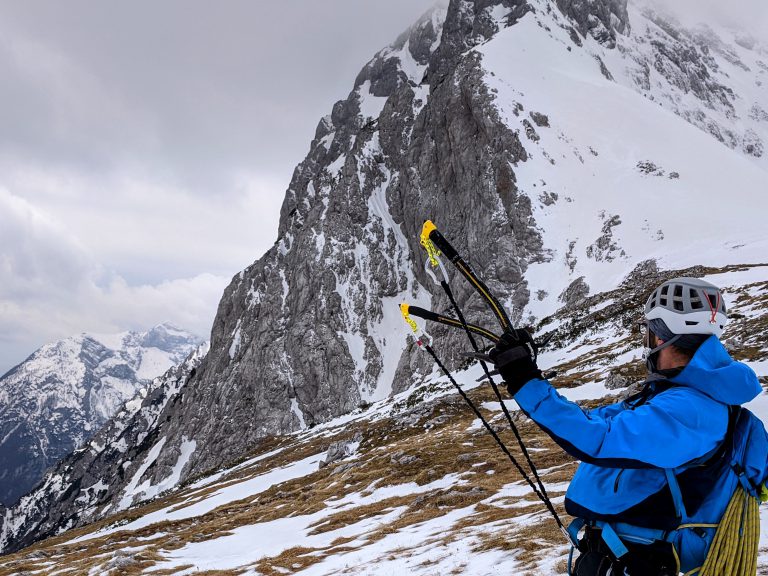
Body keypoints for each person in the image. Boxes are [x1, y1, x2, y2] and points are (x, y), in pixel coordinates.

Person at [485, 277, 766, 574]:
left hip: (635, 562)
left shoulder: (691, 408)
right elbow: (596, 420)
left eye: (649, 332)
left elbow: (599, 439)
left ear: (660, 337)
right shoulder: (676, 397)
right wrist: (529, 380)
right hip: (621, 557)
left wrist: (525, 381)